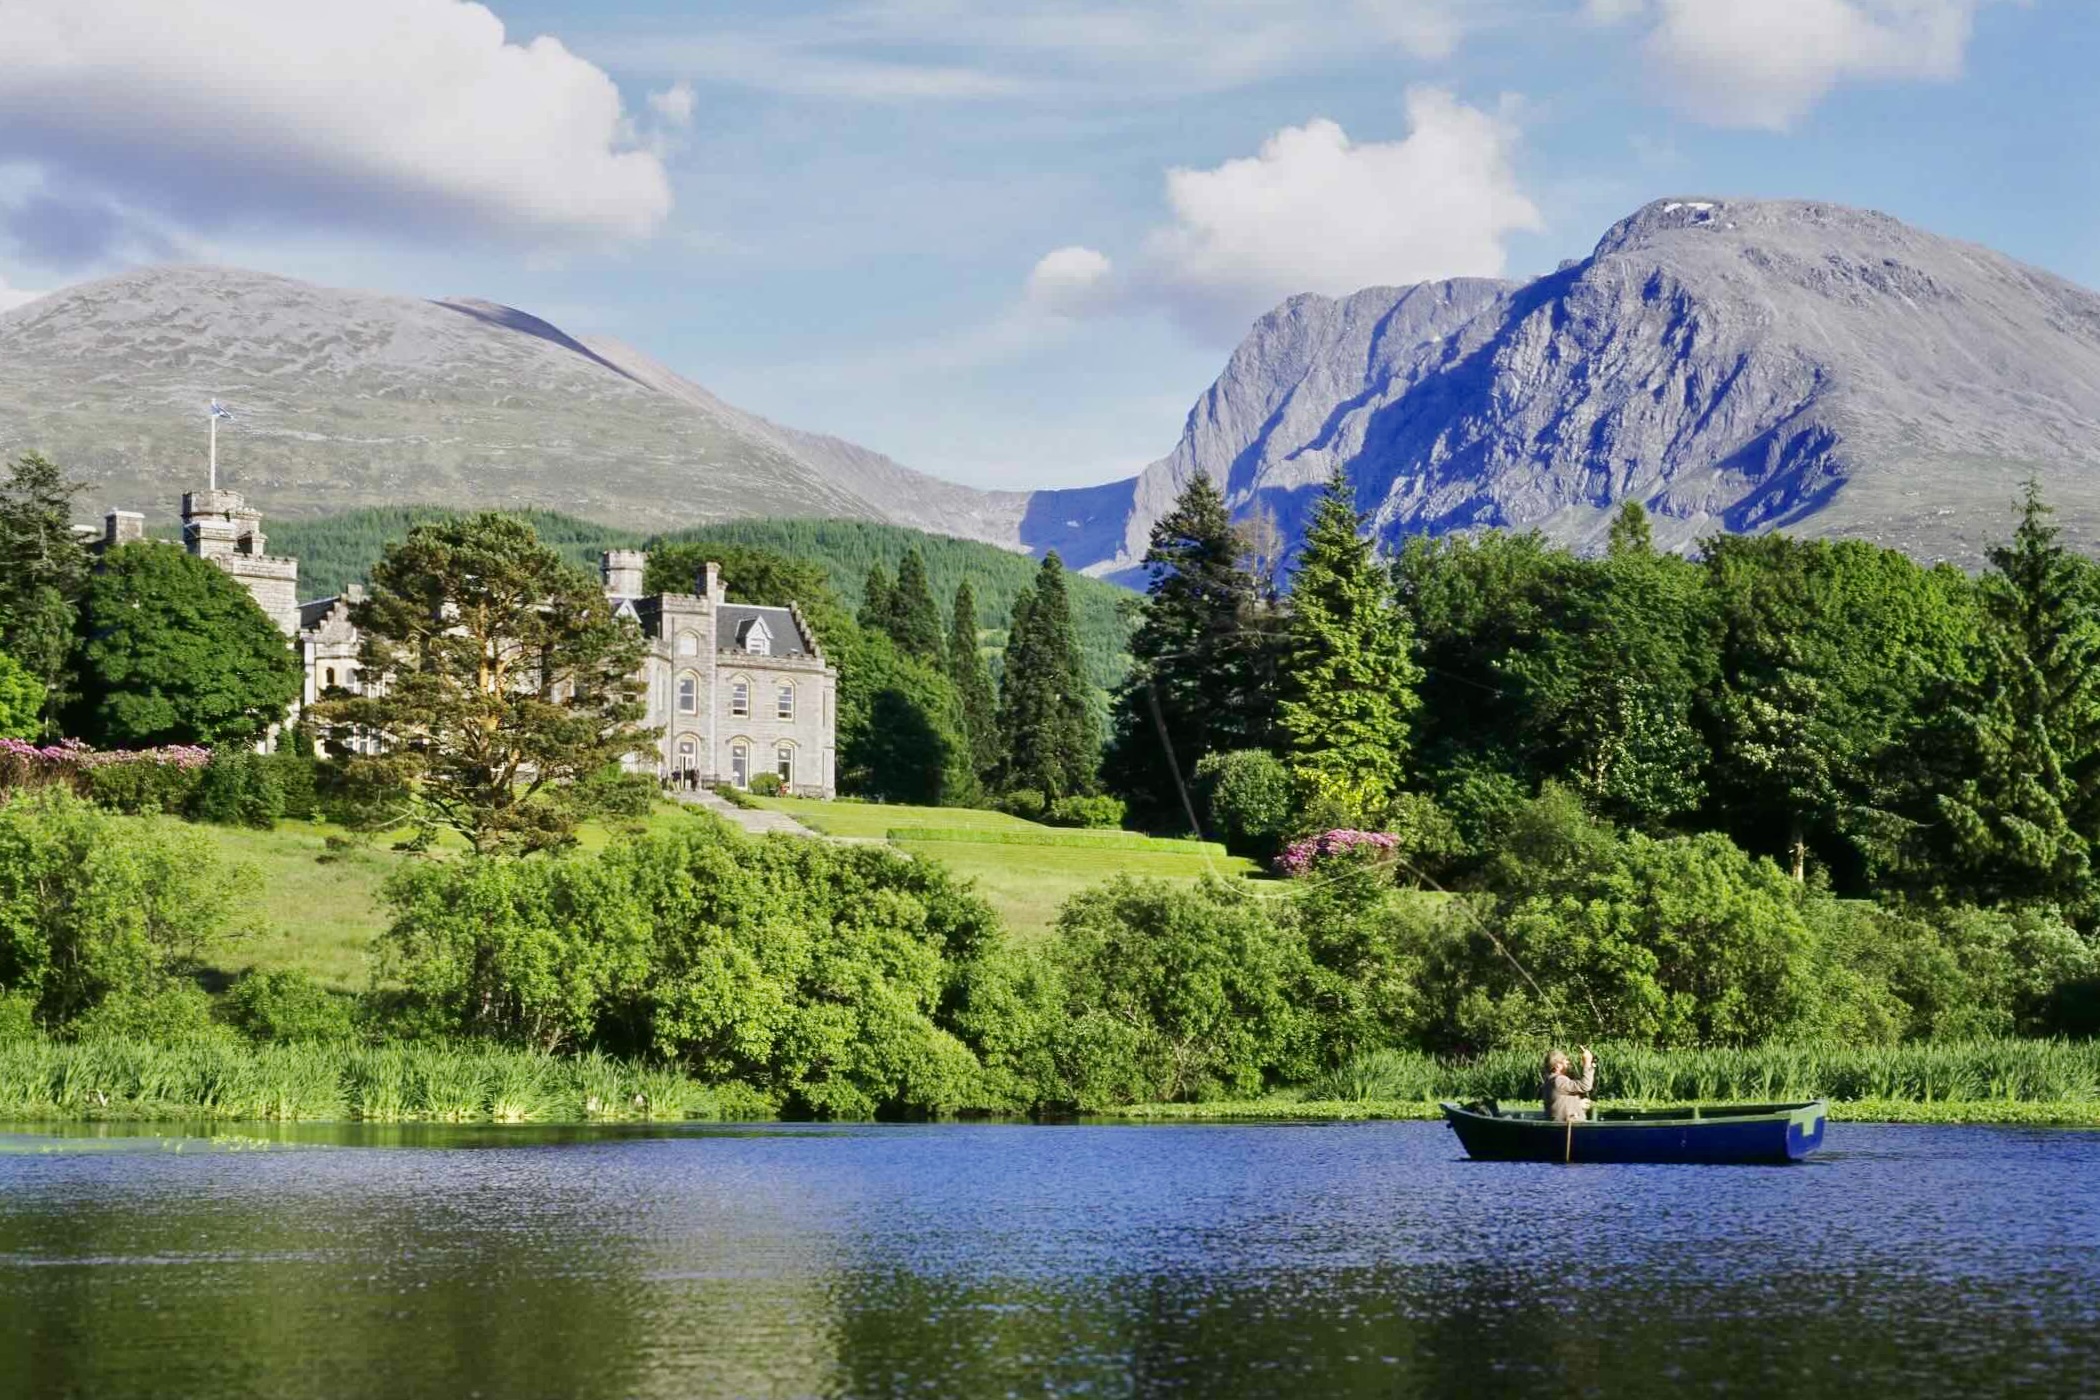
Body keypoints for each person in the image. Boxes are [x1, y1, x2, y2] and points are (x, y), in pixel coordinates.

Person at [1542, 1046, 1595, 1123]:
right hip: (1567, 1127)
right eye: (1565, 1060)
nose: (1568, 1063)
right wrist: (1587, 1063)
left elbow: (1559, 1103)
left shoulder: (1551, 1080)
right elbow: (1585, 1086)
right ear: (1558, 1065)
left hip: (1564, 1125)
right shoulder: (1559, 1080)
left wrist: (1577, 1104)